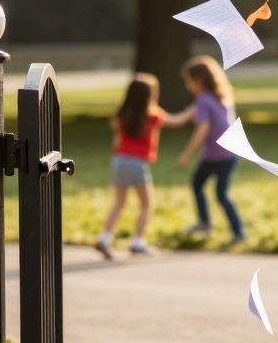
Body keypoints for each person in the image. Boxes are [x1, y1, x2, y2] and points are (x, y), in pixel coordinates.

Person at [166, 55, 246, 246]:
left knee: (220, 194)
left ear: (198, 80)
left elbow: (203, 129)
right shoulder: (221, 96)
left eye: (188, 80)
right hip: (228, 155)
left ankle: (236, 232)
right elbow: (183, 117)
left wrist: (186, 153)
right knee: (199, 184)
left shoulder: (203, 99)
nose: (186, 85)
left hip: (217, 157)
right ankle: (207, 224)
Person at [96, 74, 166, 259]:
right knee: (147, 203)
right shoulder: (153, 116)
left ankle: (104, 237)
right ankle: (138, 242)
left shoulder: (122, 115)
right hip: (137, 163)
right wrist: (191, 111)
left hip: (119, 160)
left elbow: (116, 140)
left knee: (119, 202)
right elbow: (171, 120)